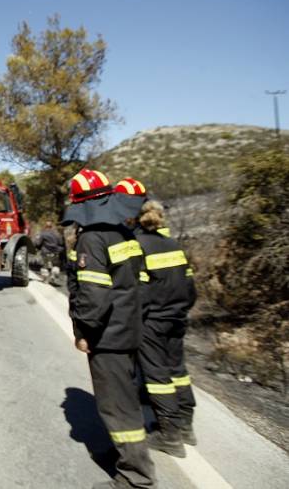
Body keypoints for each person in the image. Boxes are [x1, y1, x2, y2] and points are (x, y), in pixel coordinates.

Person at [61, 169, 155, 489]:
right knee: (127, 398)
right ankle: (125, 457)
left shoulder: (91, 238)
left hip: (108, 336)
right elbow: (138, 282)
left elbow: (92, 296)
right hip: (129, 329)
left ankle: (136, 478)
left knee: (118, 407)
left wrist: (83, 332)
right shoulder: (123, 232)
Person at [122, 187, 197, 457]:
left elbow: (138, 291)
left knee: (157, 377)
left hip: (152, 321)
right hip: (178, 317)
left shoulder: (137, 245)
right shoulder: (174, 245)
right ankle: (187, 426)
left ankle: (170, 435)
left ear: (135, 219)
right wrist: (181, 309)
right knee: (178, 370)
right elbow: (190, 287)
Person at [35, 220, 65, 284]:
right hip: (55, 253)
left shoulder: (43, 233)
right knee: (55, 265)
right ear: (52, 226)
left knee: (45, 266)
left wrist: (37, 247)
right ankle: (53, 275)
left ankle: (45, 280)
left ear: (45, 226)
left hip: (45, 252)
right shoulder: (57, 234)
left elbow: (38, 243)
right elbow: (61, 243)